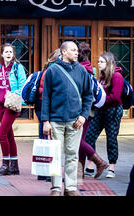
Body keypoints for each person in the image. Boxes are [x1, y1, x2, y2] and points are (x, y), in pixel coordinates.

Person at [42, 41, 93, 196]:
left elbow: (88, 96)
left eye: (77, 50)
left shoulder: (82, 71)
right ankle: (56, 188)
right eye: (73, 50)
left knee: (72, 154)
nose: (76, 53)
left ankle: (70, 187)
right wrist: (46, 121)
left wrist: (84, 116)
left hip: (75, 121)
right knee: (55, 155)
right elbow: (46, 97)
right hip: (55, 120)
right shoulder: (52, 70)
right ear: (63, 52)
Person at [85, 52, 124, 179]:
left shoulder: (117, 76)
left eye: (101, 62)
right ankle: (91, 165)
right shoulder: (101, 77)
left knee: (111, 138)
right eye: (98, 61)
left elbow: (115, 97)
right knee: (89, 137)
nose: (98, 63)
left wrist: (99, 102)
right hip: (100, 111)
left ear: (109, 63)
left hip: (112, 111)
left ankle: (112, 167)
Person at [0, 43, 27, 176]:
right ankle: (14, 166)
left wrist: (10, 95)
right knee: (9, 134)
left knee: (1, 134)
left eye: (10, 52)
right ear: (2, 54)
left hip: (12, 104)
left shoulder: (18, 68)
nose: (8, 54)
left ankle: (5, 164)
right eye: (6, 52)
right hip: (1, 104)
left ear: (13, 54)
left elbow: (23, 85)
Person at [77, 43, 108, 179]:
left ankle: (99, 162)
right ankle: (80, 172)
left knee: (78, 140)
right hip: (88, 109)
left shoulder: (80, 70)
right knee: (80, 139)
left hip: (81, 109)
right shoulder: (88, 68)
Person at [34, 48, 60, 181]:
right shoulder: (55, 69)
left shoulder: (47, 68)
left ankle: (42, 171)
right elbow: (51, 92)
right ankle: (50, 173)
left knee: (43, 138)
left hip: (40, 106)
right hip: (48, 107)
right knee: (50, 139)